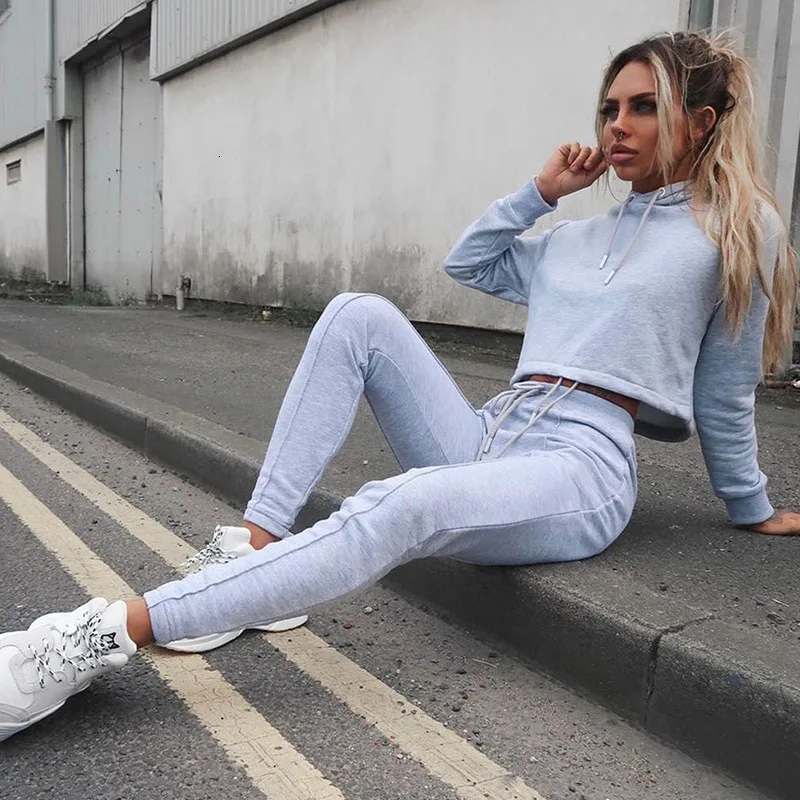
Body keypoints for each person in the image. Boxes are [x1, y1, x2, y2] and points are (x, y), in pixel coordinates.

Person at [1, 30, 798, 743]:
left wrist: (751, 504)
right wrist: (540, 194)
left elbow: (725, 391)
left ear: (701, 120)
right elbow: (469, 263)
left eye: (644, 107)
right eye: (609, 108)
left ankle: (104, 634)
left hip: (582, 466)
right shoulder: (574, 237)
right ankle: (256, 543)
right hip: (489, 433)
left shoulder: (735, 230)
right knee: (357, 313)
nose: (616, 125)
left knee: (401, 502)